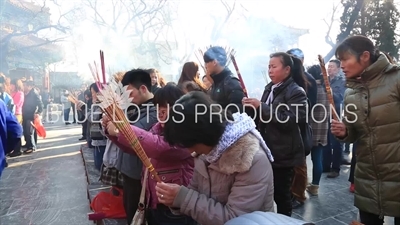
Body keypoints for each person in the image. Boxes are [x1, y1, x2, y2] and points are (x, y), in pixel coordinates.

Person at [156, 91, 274, 225]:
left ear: (200, 136)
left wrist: (183, 198)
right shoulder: (206, 153)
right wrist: (175, 197)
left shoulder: (250, 159)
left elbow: (236, 219)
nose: (188, 151)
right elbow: (195, 191)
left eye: (187, 144)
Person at [331, 35, 400, 225]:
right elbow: (353, 131)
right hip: (368, 176)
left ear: (365, 56)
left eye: (346, 59)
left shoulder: (396, 78)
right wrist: (344, 132)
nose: (342, 65)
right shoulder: (350, 92)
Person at [106, 83, 195, 225]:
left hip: (175, 208)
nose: (160, 111)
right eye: (158, 106)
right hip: (154, 201)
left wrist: (121, 129)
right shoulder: (157, 128)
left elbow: (158, 147)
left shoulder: (186, 133)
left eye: (166, 107)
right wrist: (113, 134)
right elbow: (138, 149)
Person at [243, 52, 308, 216]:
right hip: (268, 149)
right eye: (269, 67)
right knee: (266, 193)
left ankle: (285, 220)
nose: (270, 71)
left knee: (282, 195)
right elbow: (265, 118)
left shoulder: (296, 91)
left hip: (284, 153)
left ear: (287, 69)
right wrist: (253, 108)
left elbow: (289, 120)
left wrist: (262, 107)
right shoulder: (270, 88)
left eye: (274, 66)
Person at [115, 69, 158, 224]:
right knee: (130, 213)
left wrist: (117, 127)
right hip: (129, 171)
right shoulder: (135, 108)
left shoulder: (154, 111)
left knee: (137, 217)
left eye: (130, 94)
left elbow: (133, 137)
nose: (128, 99)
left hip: (139, 175)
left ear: (144, 88)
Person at [286, 48, 317, 208]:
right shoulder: (286, 81)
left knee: (299, 164)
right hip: (287, 128)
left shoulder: (308, 80)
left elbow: (309, 107)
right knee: (292, 164)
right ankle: (292, 192)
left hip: (300, 127)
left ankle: (299, 195)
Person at [305, 65, 330, 196]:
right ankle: (315, 186)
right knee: (317, 159)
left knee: (301, 160)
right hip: (322, 127)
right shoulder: (327, 90)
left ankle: (301, 185)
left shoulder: (309, 88)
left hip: (309, 127)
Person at [323, 59, 348, 178]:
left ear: (338, 69)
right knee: (326, 141)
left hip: (336, 114)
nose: (329, 69)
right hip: (324, 113)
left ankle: (335, 168)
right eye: (329, 66)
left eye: (332, 67)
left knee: (336, 142)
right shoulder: (325, 81)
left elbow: (340, 97)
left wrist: (330, 91)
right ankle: (326, 165)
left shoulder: (342, 82)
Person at [204, 46, 245, 113]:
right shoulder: (216, 82)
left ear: (214, 62)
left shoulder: (231, 83)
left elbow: (236, 112)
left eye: (207, 62)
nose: (205, 66)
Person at [22, 80, 43, 154]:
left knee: (29, 131)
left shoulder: (34, 93)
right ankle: (28, 144)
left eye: (25, 85)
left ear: (29, 86)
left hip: (31, 115)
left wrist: (38, 112)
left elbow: (40, 105)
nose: (23, 87)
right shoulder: (25, 93)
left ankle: (31, 147)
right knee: (26, 130)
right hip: (25, 114)